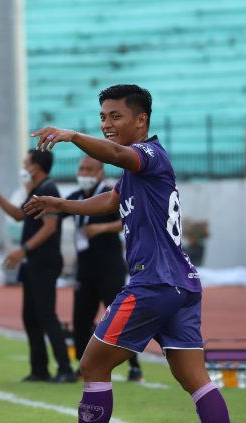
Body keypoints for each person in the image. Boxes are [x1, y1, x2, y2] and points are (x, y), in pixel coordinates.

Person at [25, 84, 230, 422]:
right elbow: (111, 200)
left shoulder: (148, 155)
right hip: (181, 282)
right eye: (103, 117)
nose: (107, 124)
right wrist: (61, 204)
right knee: (193, 378)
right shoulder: (137, 170)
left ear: (141, 120)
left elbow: (118, 156)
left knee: (92, 364)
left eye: (116, 116)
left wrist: (72, 135)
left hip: (153, 282)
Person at [0, 149, 76, 383]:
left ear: (36, 166)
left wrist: (23, 249)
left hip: (44, 261)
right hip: (33, 263)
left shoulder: (48, 190)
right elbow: (17, 215)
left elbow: (49, 227)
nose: (24, 167)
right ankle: (39, 369)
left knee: (46, 315)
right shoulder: (36, 191)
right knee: (31, 317)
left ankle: (65, 368)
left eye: (26, 163)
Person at [67, 156, 143, 382]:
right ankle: (82, 368)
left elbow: (127, 219)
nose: (84, 173)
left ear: (100, 173)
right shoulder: (78, 196)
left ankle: (135, 367)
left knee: (118, 320)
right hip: (85, 269)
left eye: (89, 169)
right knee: (80, 319)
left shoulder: (111, 193)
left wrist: (101, 228)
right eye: (81, 168)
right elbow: (61, 208)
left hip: (109, 268)